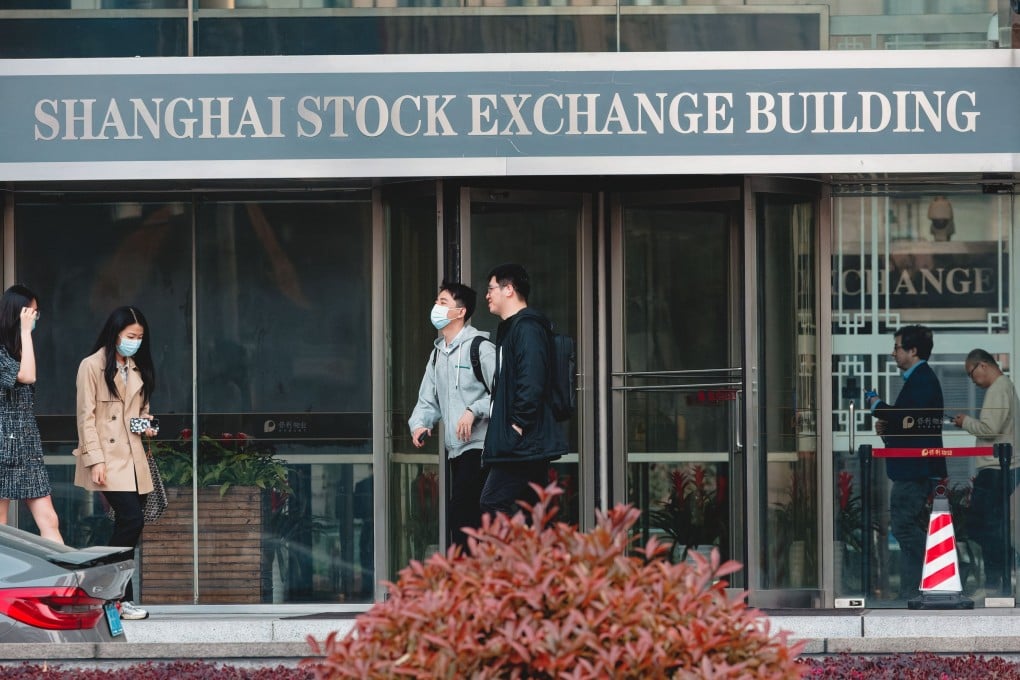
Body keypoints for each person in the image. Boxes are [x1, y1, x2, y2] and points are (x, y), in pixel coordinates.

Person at [73, 306, 158, 621]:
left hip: (134, 459)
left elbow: (138, 414)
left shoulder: (136, 368)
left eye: (139, 337)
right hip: (107, 460)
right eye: (130, 336)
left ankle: (119, 599)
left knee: (131, 526)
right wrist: (94, 459)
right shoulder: (91, 366)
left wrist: (146, 426)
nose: (135, 342)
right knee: (131, 521)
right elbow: (86, 418)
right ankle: (112, 595)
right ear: (115, 333)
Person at [408, 281, 495, 551]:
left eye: (443, 302)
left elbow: (505, 396)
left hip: (480, 448)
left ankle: (470, 585)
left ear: (460, 312)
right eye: (437, 301)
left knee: (464, 520)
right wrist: (420, 424)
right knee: (465, 522)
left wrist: (473, 410)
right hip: (455, 450)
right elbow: (427, 398)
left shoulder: (481, 348)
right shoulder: (437, 355)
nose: (436, 307)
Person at [865, 324, 946, 601]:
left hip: (915, 469)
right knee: (907, 526)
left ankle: (941, 564)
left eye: (897, 347)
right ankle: (910, 590)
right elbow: (910, 424)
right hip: (913, 466)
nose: (893, 353)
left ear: (912, 350)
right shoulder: (919, 379)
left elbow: (906, 418)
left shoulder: (923, 379)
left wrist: (877, 406)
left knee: (903, 527)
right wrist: (888, 428)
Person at [480, 264, 567, 519]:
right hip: (523, 440)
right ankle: (542, 558)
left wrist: (517, 424)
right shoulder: (513, 328)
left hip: (523, 440)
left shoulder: (527, 328)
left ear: (509, 289)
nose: (487, 295)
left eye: (491, 288)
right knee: (536, 511)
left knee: (493, 502)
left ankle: (511, 559)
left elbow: (532, 380)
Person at [951, 349, 1020, 594]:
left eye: (972, 374)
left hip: (996, 469)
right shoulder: (1005, 387)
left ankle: (996, 581)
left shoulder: (998, 388)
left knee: (983, 526)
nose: (973, 380)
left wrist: (965, 422)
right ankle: (1001, 577)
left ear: (982, 365)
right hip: (1000, 468)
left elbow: (990, 429)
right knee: (990, 526)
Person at [0, 285, 63, 544]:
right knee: (0, 524)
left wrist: (25, 336)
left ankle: (66, 583)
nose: (35, 318)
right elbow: (27, 376)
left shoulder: (19, 350)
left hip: (26, 446)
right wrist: (26, 332)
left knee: (49, 519)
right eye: (32, 313)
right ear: (18, 313)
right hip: (3, 445)